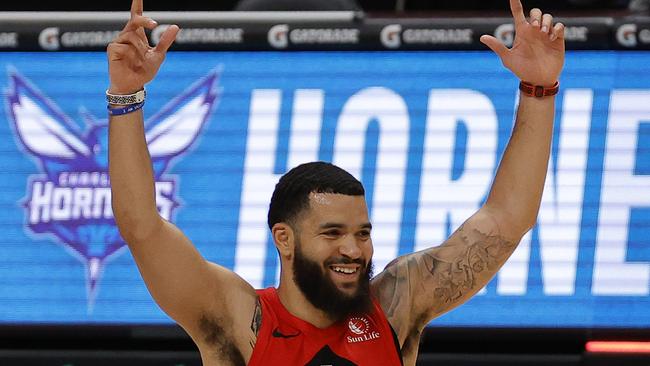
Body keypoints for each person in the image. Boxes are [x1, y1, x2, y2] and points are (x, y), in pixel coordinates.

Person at [106, 0, 565, 364]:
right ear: (283, 239)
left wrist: (538, 90)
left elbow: (505, 221)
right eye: (333, 233)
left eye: (362, 233)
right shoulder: (238, 319)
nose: (354, 249)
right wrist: (126, 96)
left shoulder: (393, 308)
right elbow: (141, 225)